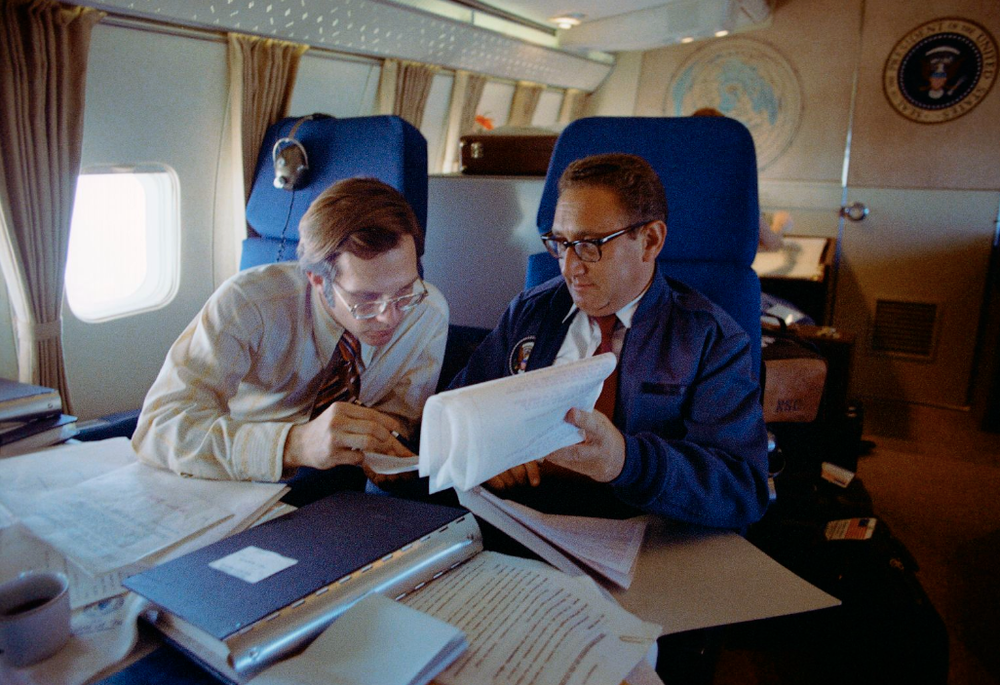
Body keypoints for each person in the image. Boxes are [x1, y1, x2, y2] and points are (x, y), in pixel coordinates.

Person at [449, 153, 769, 529]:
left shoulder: (709, 339)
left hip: (644, 540)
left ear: (650, 241)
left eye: (590, 244)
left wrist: (627, 462)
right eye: (561, 243)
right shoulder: (531, 313)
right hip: (521, 524)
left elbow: (740, 490)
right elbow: (460, 412)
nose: (569, 267)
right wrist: (485, 451)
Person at [132, 177, 448, 482]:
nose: (390, 317)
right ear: (318, 279)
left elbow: (402, 418)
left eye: (404, 291)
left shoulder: (427, 313)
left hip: (342, 480)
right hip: (238, 475)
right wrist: (292, 444)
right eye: (365, 299)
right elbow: (158, 429)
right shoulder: (248, 304)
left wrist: (383, 442)